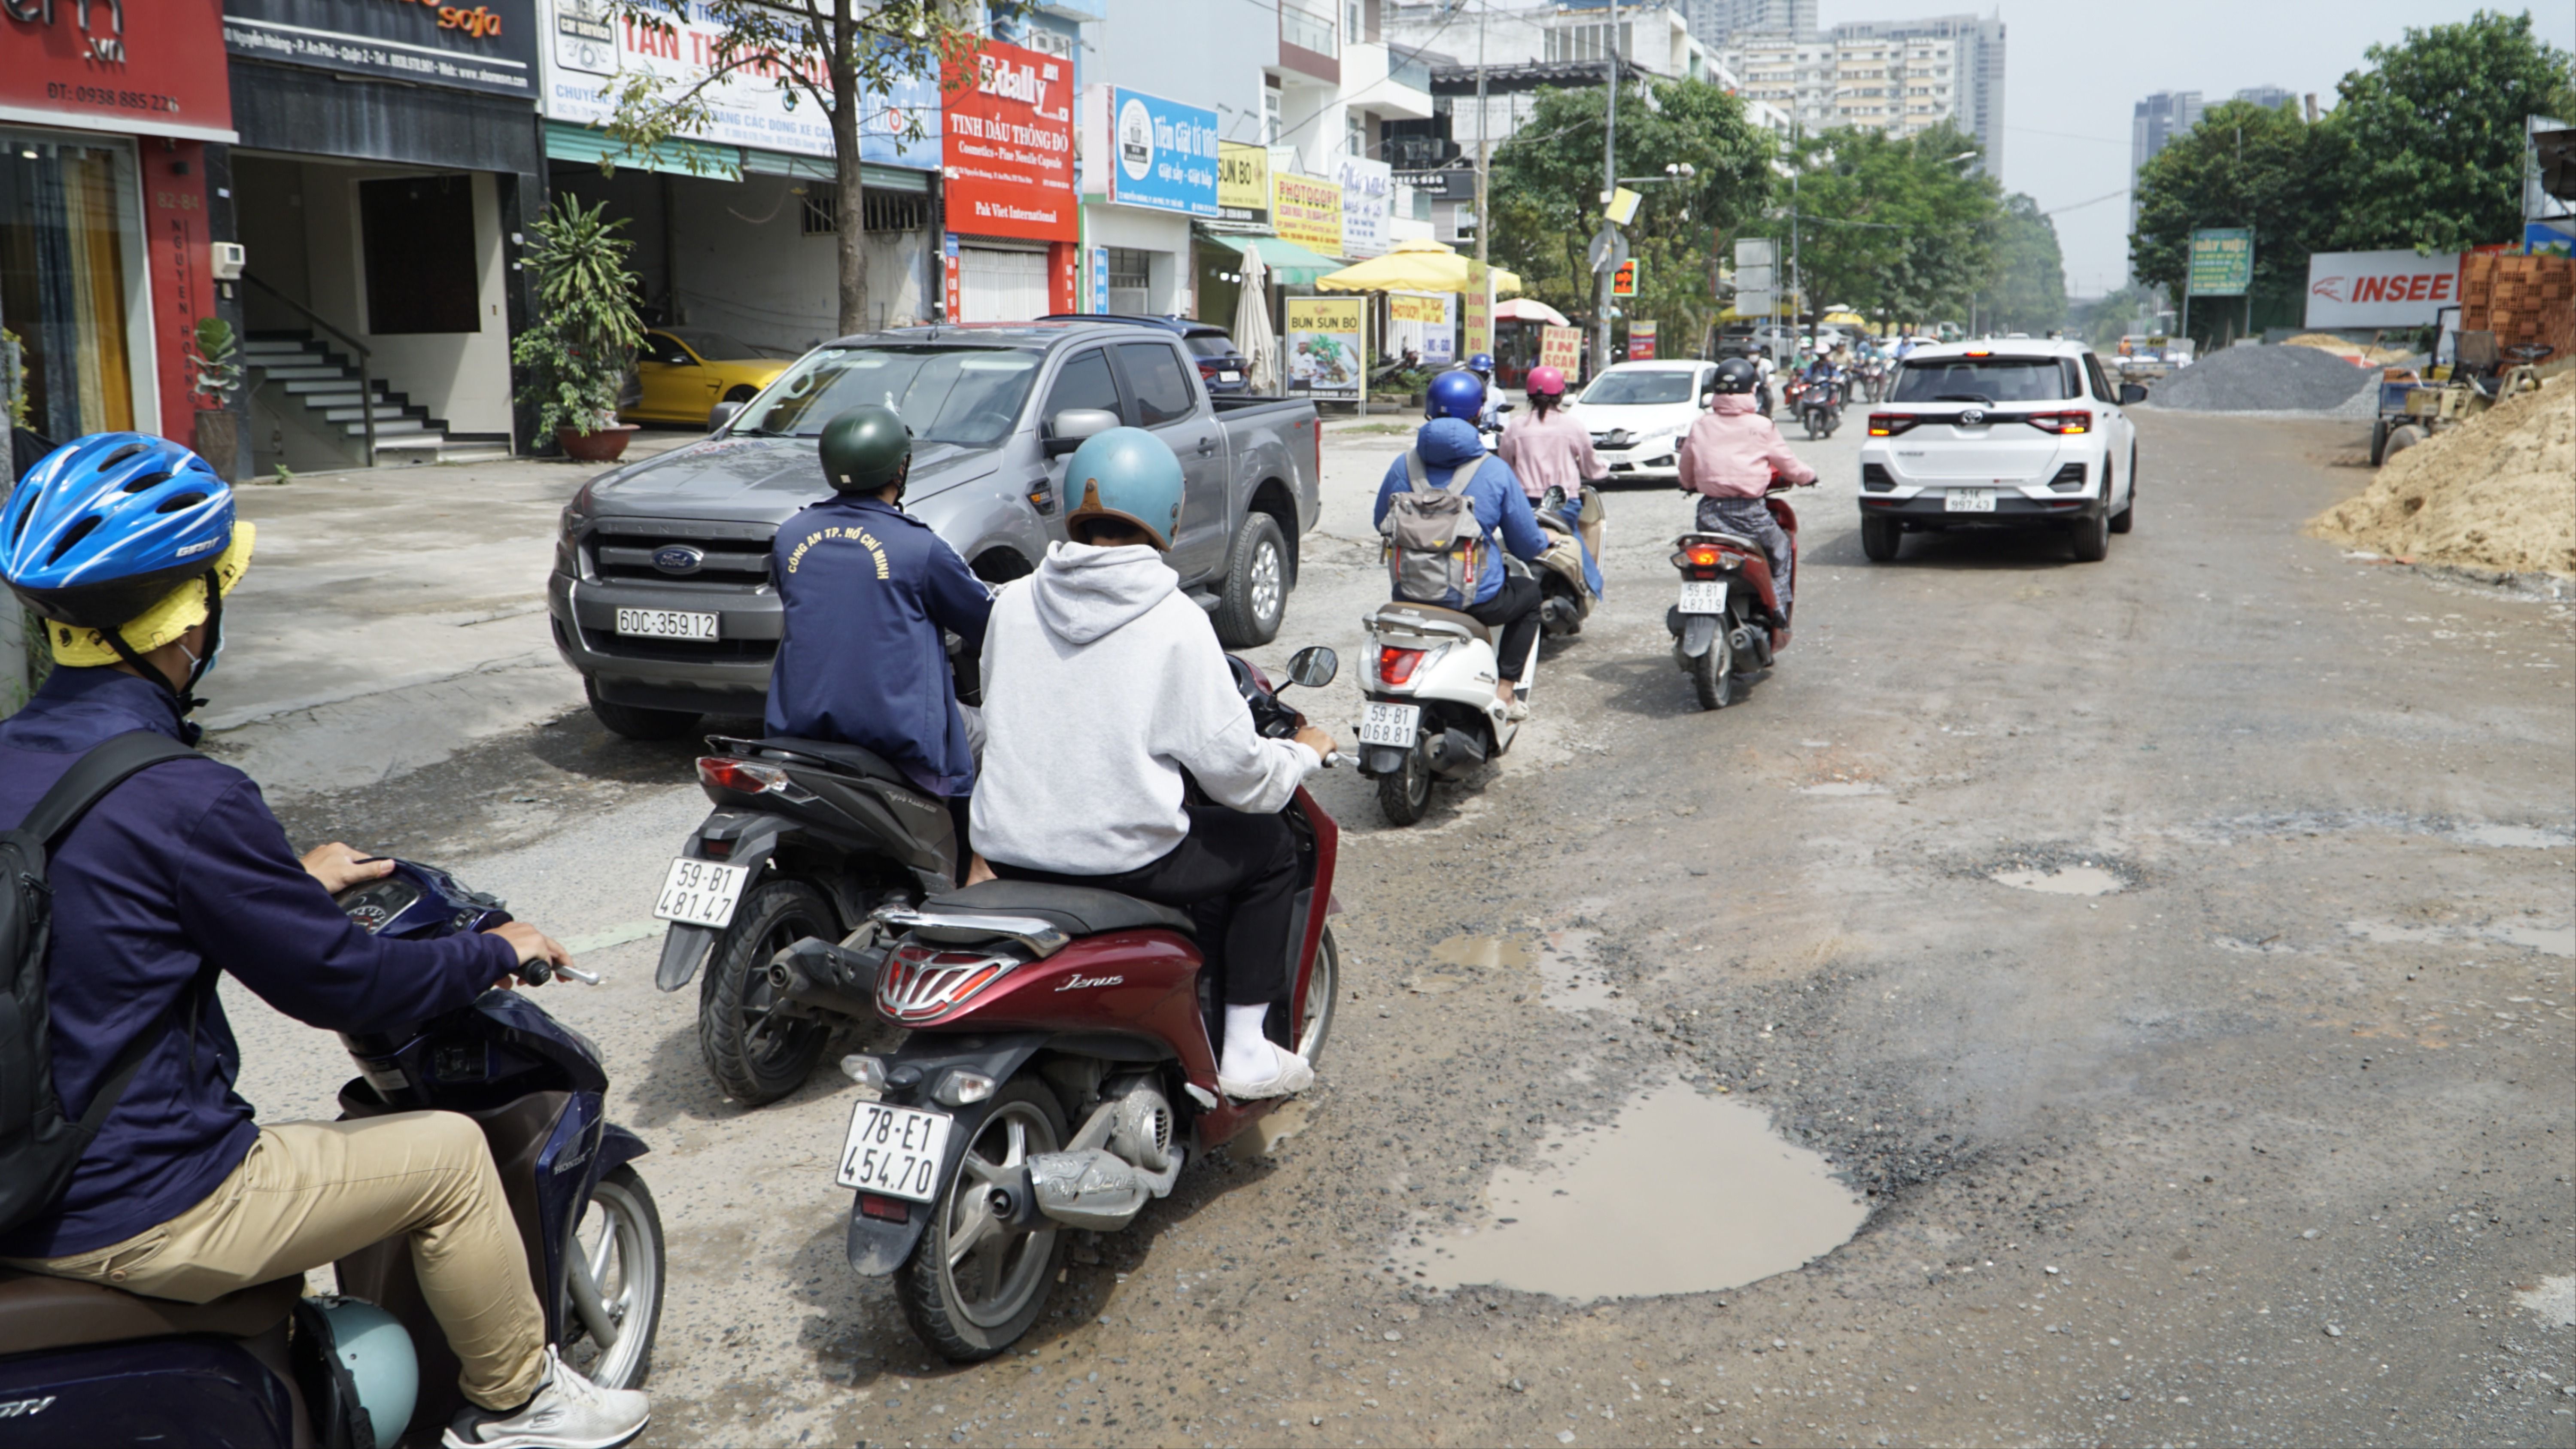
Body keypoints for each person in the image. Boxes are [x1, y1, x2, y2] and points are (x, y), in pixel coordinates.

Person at [0, 434, 648, 1449]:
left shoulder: (19, 761)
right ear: (197, 614)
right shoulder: (187, 795)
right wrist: (495, 949)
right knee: (447, 1155)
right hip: (142, 1206)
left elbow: (88, 911)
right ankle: (526, 1403)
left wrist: (283, 884)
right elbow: (346, 985)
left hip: (23, 1179)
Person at [970, 428, 1336, 1101]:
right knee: (1272, 845)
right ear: (1168, 513)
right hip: (1125, 858)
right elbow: (1239, 775)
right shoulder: (1175, 620)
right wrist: (1300, 753)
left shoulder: (1012, 602)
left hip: (1012, 852)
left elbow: (1004, 713)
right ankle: (1248, 1050)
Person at [766, 404, 992, 871]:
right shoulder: (919, 546)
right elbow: (987, 624)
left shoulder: (790, 536)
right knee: (993, 736)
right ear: (900, 468)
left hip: (800, 730)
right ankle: (975, 874)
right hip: (897, 736)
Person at [1375, 371, 1550, 717]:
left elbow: (1380, 521)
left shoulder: (1403, 465)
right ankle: (1505, 691)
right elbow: (1528, 547)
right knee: (1530, 595)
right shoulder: (1494, 469)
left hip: (1409, 594)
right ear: (1478, 415)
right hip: (1476, 602)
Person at [1677, 357, 1816, 639]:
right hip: (1750, 514)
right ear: (1751, 390)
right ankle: (1777, 606)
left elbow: (1687, 470)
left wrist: (1689, 484)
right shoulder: (1761, 425)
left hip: (1708, 514)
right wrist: (1808, 477)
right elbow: (1788, 464)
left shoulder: (1701, 425)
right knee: (1780, 549)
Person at [1493, 363, 1606, 596]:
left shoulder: (1515, 427)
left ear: (1529, 396)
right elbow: (1591, 467)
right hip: (1563, 505)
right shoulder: (1573, 426)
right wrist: (1604, 470)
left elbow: (1505, 466)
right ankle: (1590, 585)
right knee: (1573, 536)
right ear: (1561, 394)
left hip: (1525, 505)